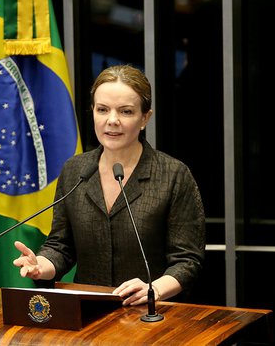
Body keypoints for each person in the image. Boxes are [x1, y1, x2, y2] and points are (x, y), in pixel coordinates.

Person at [13, 65, 205, 306]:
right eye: (102, 109)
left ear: (145, 117)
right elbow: (61, 246)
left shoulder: (173, 175)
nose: (112, 121)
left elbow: (187, 260)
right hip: (88, 312)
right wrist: (40, 266)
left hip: (152, 314)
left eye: (125, 112)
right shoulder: (75, 170)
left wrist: (152, 289)